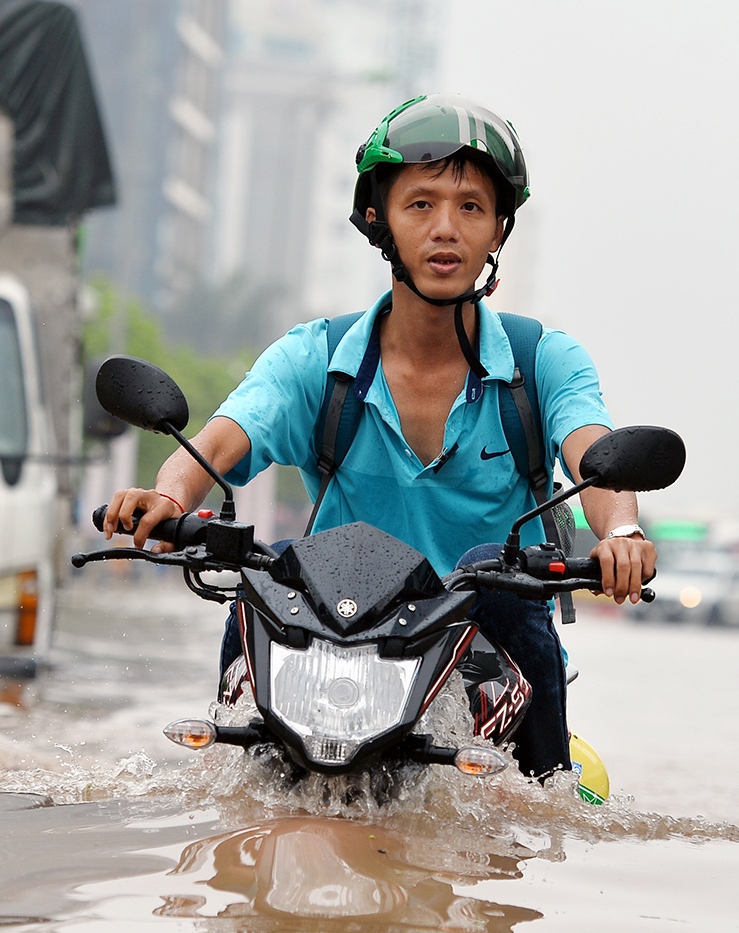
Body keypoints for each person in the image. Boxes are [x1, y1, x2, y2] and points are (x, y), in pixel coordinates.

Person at [102, 95, 655, 780]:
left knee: (502, 571)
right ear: (378, 219)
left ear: (498, 230)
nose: (445, 229)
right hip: (331, 642)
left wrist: (621, 534)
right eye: (421, 204)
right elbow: (218, 443)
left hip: (486, 652)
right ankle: (230, 781)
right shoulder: (315, 359)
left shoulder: (544, 361)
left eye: (471, 208)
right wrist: (169, 497)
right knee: (263, 574)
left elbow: (593, 452)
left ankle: (547, 794)